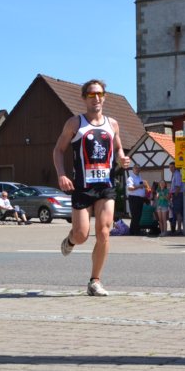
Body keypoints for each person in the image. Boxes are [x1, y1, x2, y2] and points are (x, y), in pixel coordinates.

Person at [53, 79, 132, 296]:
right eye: (91, 94)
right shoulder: (75, 123)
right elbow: (58, 150)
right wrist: (61, 174)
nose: (96, 98)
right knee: (81, 235)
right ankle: (71, 239)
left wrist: (122, 158)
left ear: (104, 97)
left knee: (104, 231)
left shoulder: (112, 124)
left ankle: (95, 281)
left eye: (99, 94)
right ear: (84, 98)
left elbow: (118, 148)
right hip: (82, 186)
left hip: (106, 185)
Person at [126, 164, 147, 236]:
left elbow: (140, 187)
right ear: (133, 169)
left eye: (138, 168)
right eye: (136, 168)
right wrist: (139, 186)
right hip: (134, 198)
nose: (137, 169)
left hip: (140, 198)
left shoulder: (139, 177)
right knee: (135, 215)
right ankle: (135, 231)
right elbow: (130, 188)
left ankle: (132, 231)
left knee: (138, 215)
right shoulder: (130, 178)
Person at [168, 160, 184, 235]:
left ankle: (179, 229)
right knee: (176, 212)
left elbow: (178, 186)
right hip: (175, 194)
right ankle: (178, 228)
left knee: (178, 212)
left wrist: (175, 195)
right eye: (170, 167)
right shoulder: (174, 174)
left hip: (178, 194)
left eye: (172, 167)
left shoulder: (177, 174)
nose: (170, 169)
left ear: (175, 167)